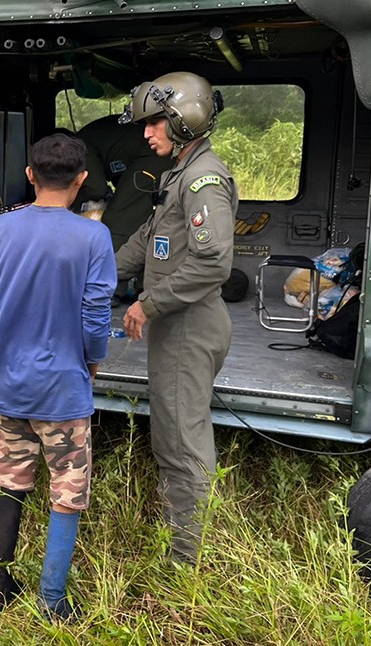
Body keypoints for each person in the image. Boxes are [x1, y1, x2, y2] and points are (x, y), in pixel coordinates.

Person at [0, 133, 116, 620]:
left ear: (31, 176)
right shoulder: (94, 236)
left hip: (6, 385)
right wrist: (91, 361)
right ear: (81, 180)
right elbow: (95, 315)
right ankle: (52, 600)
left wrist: (5, 341)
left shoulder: (0, 229)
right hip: (63, 390)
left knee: (10, 482)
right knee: (67, 494)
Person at [114, 71, 238, 563]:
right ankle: (184, 542)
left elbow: (213, 263)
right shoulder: (178, 175)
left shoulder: (205, 179)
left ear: (184, 121)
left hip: (189, 325)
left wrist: (148, 303)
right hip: (177, 324)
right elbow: (148, 239)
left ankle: (187, 558)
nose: (146, 133)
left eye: (154, 123)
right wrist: (96, 273)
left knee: (182, 442)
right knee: (173, 430)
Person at [73, 115, 174, 253]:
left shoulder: (77, 146)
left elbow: (97, 189)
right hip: (145, 154)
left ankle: (111, 267)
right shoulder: (90, 138)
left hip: (151, 154)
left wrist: (70, 203)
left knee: (118, 221)